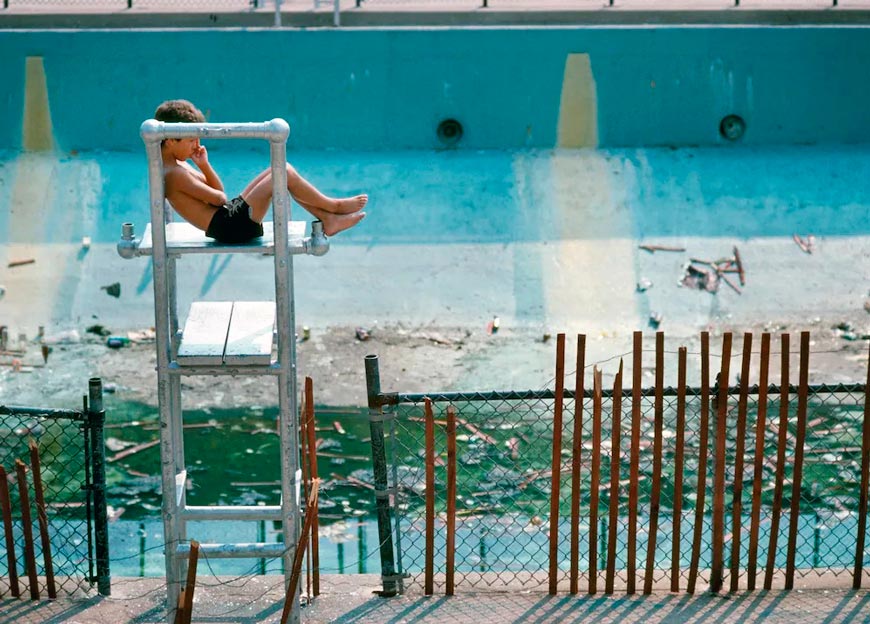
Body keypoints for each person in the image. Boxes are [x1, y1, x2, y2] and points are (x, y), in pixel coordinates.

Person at [154, 99, 366, 244]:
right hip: (230, 227)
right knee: (283, 174)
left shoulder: (179, 164)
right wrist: (216, 193)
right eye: (192, 140)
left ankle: (327, 218)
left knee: (283, 170)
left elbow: (217, 191)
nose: (196, 144)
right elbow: (219, 198)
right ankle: (333, 206)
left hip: (228, 218)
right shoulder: (174, 174)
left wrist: (204, 165)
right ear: (172, 140)